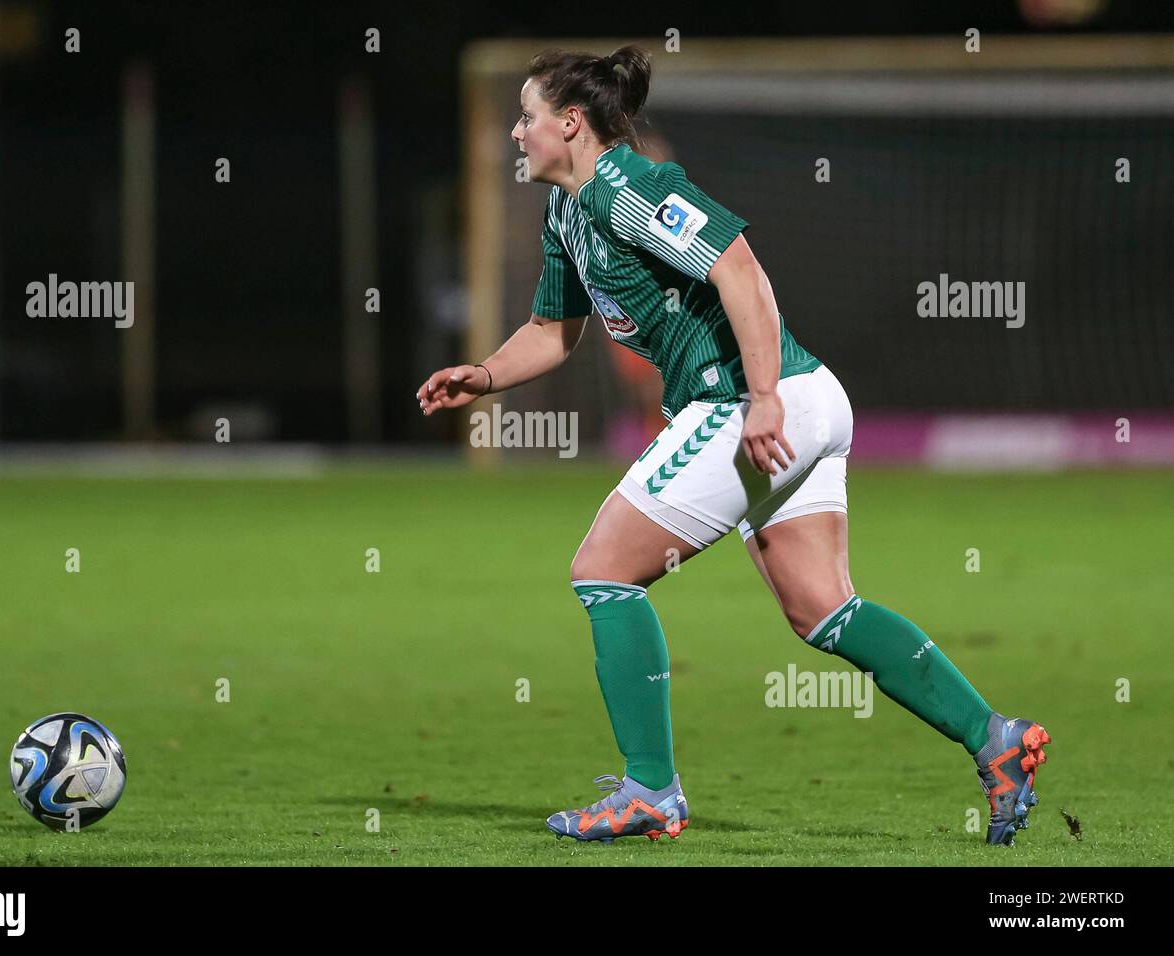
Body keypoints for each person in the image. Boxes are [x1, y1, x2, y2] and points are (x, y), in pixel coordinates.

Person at [416, 45, 1050, 846]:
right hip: (804, 397)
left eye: (528, 116)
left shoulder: (632, 188)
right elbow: (552, 332)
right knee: (823, 610)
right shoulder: (569, 211)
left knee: (603, 571)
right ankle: (996, 739)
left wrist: (759, 399)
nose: (516, 132)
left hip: (752, 400)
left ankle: (651, 789)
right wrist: (483, 373)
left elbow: (741, 273)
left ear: (570, 124)